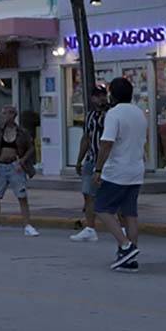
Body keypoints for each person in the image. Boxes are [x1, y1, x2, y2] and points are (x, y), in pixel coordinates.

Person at [93, 77, 147, 272]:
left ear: (112, 95)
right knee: (129, 214)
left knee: (101, 207)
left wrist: (98, 169)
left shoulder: (114, 114)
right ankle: (130, 259)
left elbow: (107, 143)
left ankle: (125, 246)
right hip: (136, 169)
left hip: (117, 170)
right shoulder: (139, 113)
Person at [0, 105, 39, 236]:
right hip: (1, 166)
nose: (5, 116)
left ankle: (27, 225)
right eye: (3, 113)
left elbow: (31, 148)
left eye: (7, 113)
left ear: (13, 115)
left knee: (22, 196)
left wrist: (22, 160)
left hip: (15, 166)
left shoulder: (21, 132)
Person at [71, 85, 108, 242]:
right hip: (91, 159)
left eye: (103, 95)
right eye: (98, 96)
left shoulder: (111, 115)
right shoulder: (90, 116)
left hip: (108, 162)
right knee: (87, 194)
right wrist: (79, 160)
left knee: (114, 194)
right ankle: (90, 228)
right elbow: (86, 138)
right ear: (92, 98)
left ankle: (122, 227)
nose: (101, 98)